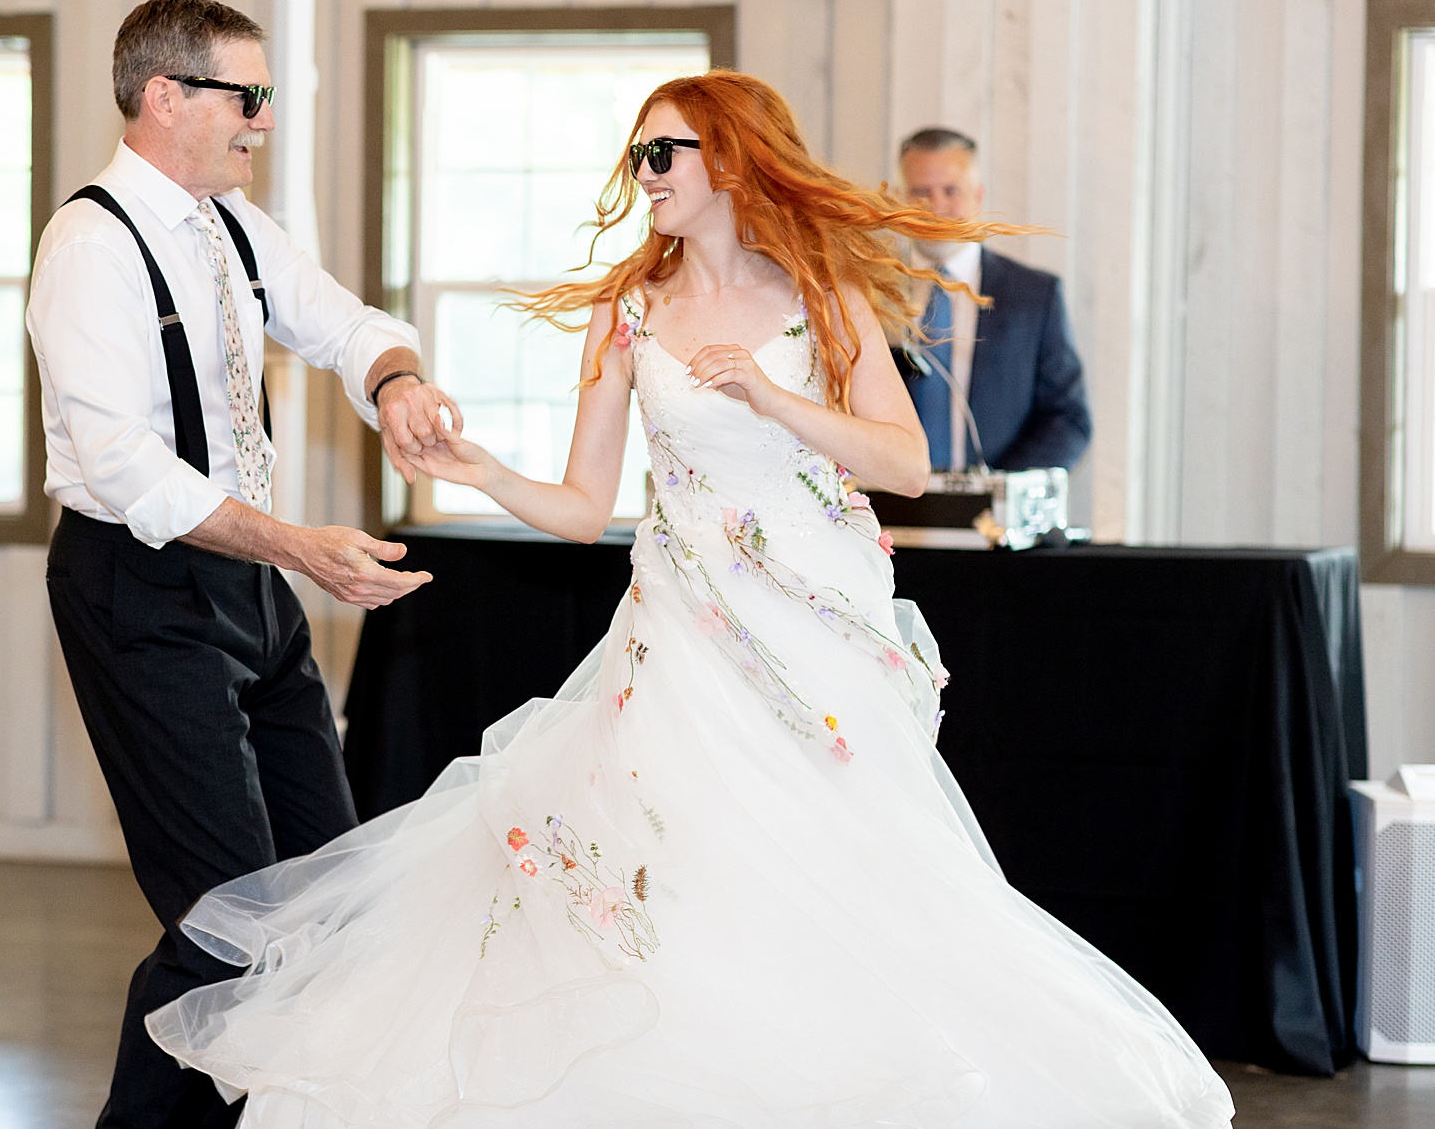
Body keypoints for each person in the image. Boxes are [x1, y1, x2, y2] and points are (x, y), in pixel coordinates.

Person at [145, 72, 1234, 1126]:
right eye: (637, 153)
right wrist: (480, 471)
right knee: (674, 860)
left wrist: (769, 395)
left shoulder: (820, 293)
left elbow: (903, 462)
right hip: (678, 633)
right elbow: (582, 505)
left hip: (814, 629)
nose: (645, 172)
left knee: (833, 868)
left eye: (663, 152)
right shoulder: (628, 309)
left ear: (730, 159)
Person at [26, 0, 458, 1129]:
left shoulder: (230, 225)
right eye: (247, 97)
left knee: (320, 893)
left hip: (252, 586)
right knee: (230, 917)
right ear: (165, 96)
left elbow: (341, 322)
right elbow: (125, 467)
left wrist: (397, 382)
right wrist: (297, 548)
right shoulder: (89, 246)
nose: (261, 122)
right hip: (140, 590)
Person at [895, 126, 1092, 471]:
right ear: (897, 200)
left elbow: (1068, 419)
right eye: (919, 192)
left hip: (993, 516)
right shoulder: (866, 291)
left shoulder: (1035, 296)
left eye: (951, 190)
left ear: (978, 196)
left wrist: (1002, 493)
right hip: (883, 513)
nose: (935, 206)